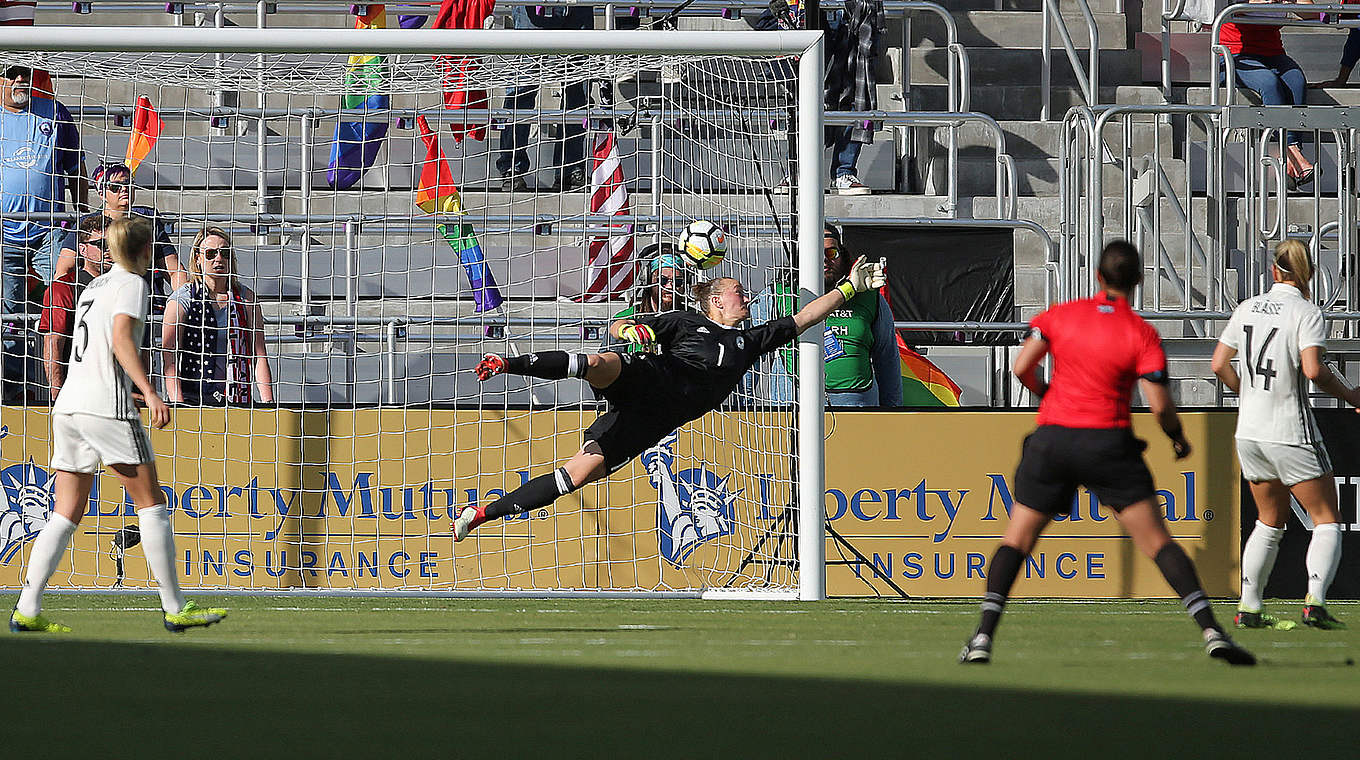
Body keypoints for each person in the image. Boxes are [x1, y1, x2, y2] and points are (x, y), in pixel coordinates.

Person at [959, 240, 1255, 666]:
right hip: (1107, 443)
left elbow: (1022, 366)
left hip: (1055, 439)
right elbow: (1159, 406)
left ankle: (983, 638)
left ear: (1098, 276)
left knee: (1017, 539)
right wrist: (1176, 437)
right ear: (1137, 281)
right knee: (1157, 542)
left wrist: (1048, 396)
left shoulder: (1060, 316)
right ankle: (1211, 631)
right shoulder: (1141, 333)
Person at [454, 256, 888, 541]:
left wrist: (850, 288)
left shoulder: (751, 341)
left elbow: (802, 318)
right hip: (651, 380)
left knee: (577, 475)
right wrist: (633, 332)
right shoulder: (685, 321)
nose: (747, 297)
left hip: (656, 420)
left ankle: (481, 515)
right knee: (601, 361)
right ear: (716, 300)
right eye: (739, 292)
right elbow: (624, 328)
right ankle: (510, 364)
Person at [9, 218, 225, 634]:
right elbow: (121, 338)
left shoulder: (95, 286)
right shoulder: (131, 283)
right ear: (145, 253)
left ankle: (27, 609)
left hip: (70, 405)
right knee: (152, 501)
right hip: (105, 407)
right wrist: (150, 389)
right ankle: (175, 607)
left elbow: (95, 348)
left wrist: (132, 388)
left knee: (66, 512)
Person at [1211, 240, 1353, 631]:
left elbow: (1219, 363)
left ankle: (1249, 607)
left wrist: (1247, 393)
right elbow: (1313, 369)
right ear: (1307, 273)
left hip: (1250, 430)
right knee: (1326, 519)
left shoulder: (1247, 308)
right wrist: (1349, 394)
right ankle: (1316, 603)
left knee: (1269, 520)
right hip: (1289, 427)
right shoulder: (1306, 312)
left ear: (1274, 270)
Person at [0, 61, 86, 396]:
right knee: (9, 314)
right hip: (4, 234)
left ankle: (70, 383)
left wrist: (85, 216)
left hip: (50, 230)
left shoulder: (54, 112)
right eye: (11, 72)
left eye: (26, 71)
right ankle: (14, 390)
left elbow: (74, 166)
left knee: (65, 298)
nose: (20, 78)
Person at [748, 225, 902, 406]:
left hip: (858, 407)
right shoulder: (777, 296)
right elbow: (749, 357)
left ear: (842, 255)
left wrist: (894, 412)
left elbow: (887, 358)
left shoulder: (870, 297)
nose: (824, 260)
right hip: (793, 406)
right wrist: (743, 410)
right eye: (815, 252)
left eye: (831, 253)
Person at [161, 227, 274, 406]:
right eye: (211, 253)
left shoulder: (246, 298)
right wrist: (178, 404)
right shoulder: (182, 298)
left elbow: (259, 355)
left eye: (225, 253)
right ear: (197, 258)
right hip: (194, 399)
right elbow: (169, 356)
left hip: (238, 398)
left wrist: (268, 402)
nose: (218, 259)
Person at [55, 162, 186, 312]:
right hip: (98, 304)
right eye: (115, 187)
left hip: (143, 303)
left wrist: (183, 301)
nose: (124, 189)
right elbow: (62, 271)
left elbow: (174, 271)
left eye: (129, 184)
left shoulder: (149, 221)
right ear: (101, 193)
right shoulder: (86, 224)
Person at [494, 5, 593, 192]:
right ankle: (512, 169)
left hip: (578, 7)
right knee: (522, 86)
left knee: (578, 88)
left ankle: (570, 170)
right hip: (532, 9)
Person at [1220, 1, 1316, 189]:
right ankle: (1294, 157)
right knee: (1269, 83)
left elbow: (1312, 12)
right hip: (1234, 54)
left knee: (1296, 82)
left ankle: (1289, 162)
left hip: (1272, 53)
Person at [38, 214, 110, 401]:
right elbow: (53, 344)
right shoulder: (64, 288)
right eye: (101, 245)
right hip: (80, 394)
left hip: (120, 393)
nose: (110, 250)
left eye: (115, 243)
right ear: (82, 249)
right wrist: (58, 396)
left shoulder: (129, 286)